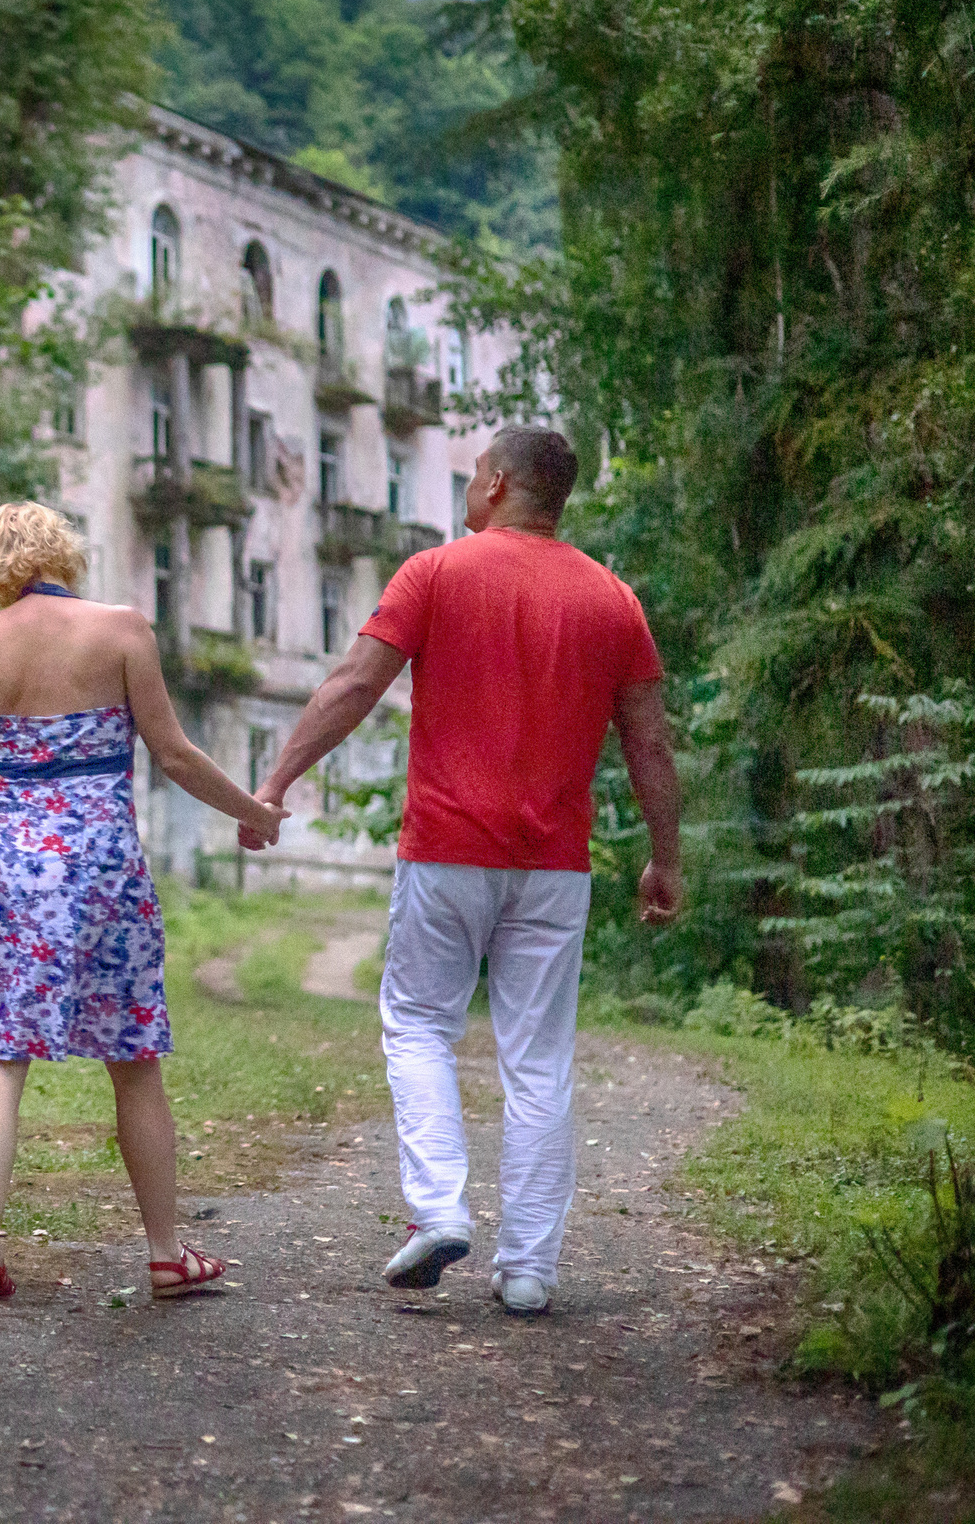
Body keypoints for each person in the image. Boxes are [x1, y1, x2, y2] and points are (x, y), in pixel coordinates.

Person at [243, 427, 683, 1316]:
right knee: (538, 1061)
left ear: (497, 484)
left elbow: (354, 685)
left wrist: (277, 779)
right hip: (554, 868)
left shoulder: (437, 573)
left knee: (416, 1024)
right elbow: (649, 739)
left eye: (477, 474)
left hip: (447, 851)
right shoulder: (613, 601)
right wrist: (665, 855)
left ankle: (440, 1209)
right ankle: (527, 1269)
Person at [0, 502, 289, 1304]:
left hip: (12, 857)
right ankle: (165, 1252)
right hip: (102, 859)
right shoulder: (122, 627)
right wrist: (253, 812)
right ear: (64, 554)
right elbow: (173, 753)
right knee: (133, 1059)